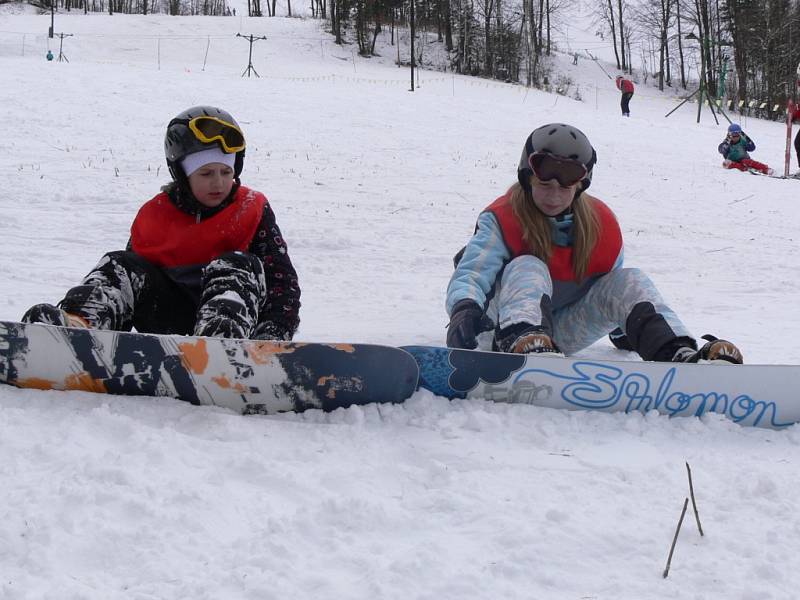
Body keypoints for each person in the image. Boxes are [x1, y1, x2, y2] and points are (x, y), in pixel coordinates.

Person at [445, 123, 743, 364]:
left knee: (630, 278)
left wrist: (627, 330)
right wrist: (464, 309)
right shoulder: (503, 217)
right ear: (527, 179)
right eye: (544, 186)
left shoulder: (601, 226)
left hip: (554, 338)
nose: (554, 197)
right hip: (496, 328)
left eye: (566, 188)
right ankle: (520, 338)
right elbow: (473, 271)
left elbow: (611, 289)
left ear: (580, 187)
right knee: (528, 265)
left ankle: (676, 353)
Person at [23, 106, 301, 341]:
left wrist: (273, 336)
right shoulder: (155, 216)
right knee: (120, 265)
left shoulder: (251, 209)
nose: (218, 182)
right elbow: (131, 283)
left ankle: (220, 343)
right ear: (182, 174)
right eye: (205, 173)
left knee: (239, 264)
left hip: (234, 326)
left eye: (225, 172)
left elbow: (281, 282)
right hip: (169, 320)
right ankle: (79, 330)